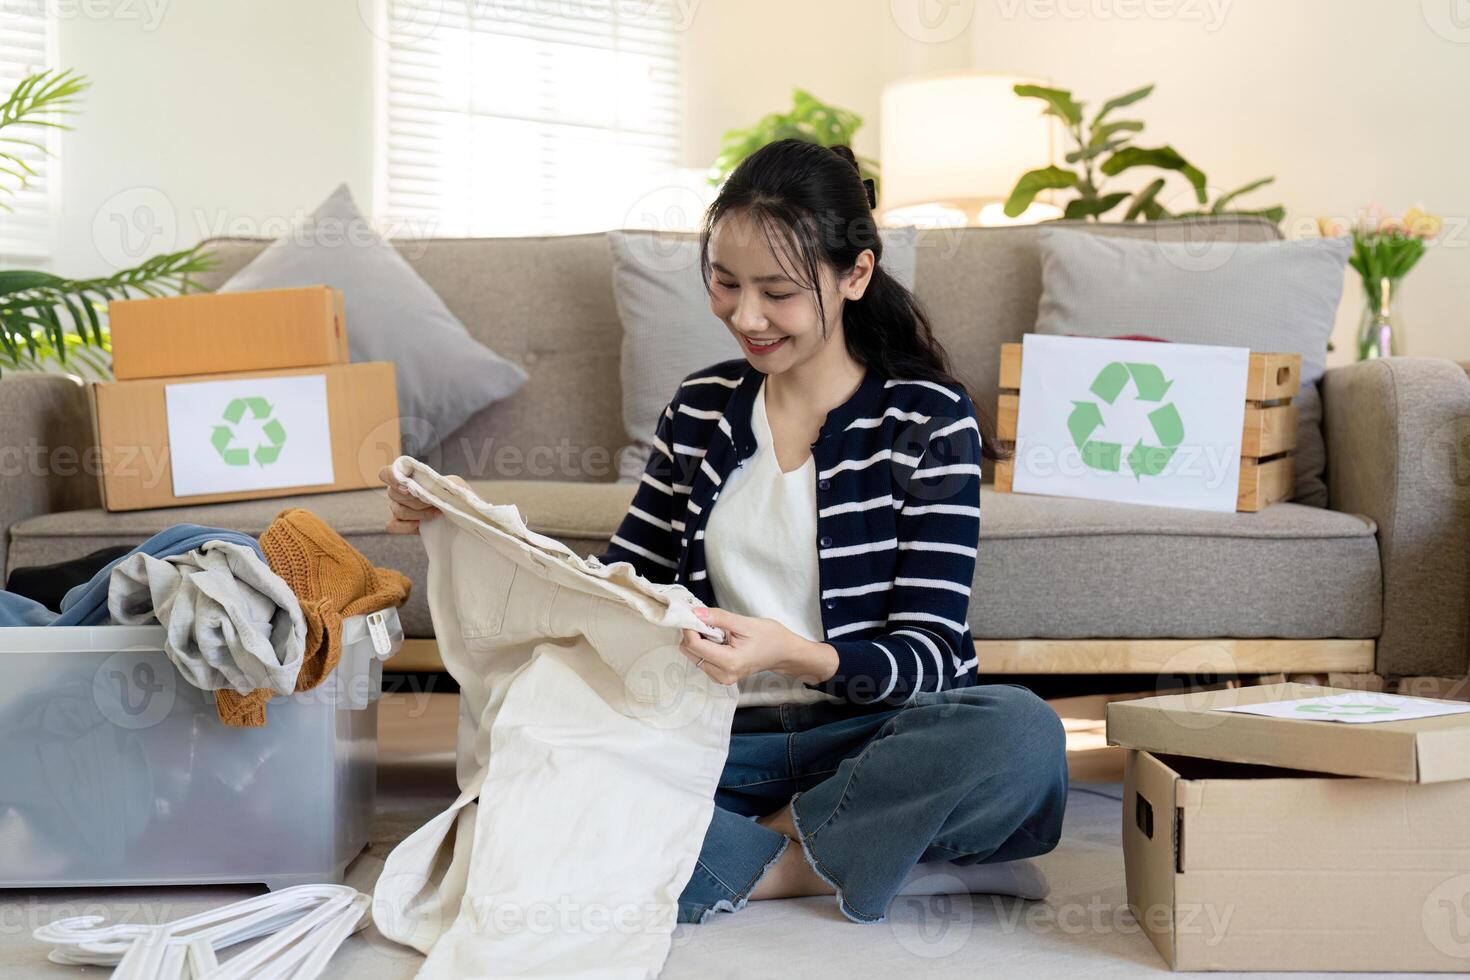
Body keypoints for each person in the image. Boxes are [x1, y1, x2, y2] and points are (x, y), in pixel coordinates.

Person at [381, 138, 1068, 926]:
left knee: (1019, 734)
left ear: (856, 274)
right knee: (528, 777)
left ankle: (760, 866)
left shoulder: (927, 418)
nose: (745, 316)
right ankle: (876, 860)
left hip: (872, 735)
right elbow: (618, 591)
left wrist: (790, 652)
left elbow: (933, 657)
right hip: (714, 737)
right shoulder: (703, 406)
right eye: (725, 282)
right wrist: (470, 525)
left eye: (777, 292)